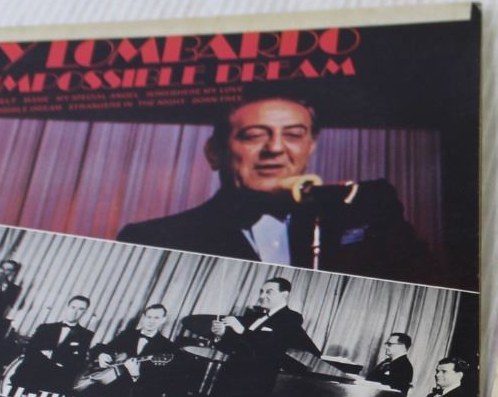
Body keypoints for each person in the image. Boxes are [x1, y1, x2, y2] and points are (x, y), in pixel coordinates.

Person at [115, 91, 435, 283]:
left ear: (310, 148)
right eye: (254, 135)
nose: (276, 149)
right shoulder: (151, 239)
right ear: (214, 152)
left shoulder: (367, 213)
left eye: (293, 135)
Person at [206, 278, 319, 397]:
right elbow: (237, 346)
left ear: (284, 295)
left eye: (269, 292)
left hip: (254, 383)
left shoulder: (291, 318)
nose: (262, 295)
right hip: (230, 376)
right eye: (261, 291)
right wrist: (220, 335)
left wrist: (241, 330)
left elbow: (270, 348)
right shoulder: (254, 316)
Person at [12, 295, 93, 396]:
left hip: (55, 383)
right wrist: (61, 359)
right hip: (28, 376)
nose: (75, 312)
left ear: (85, 312)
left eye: (80, 309)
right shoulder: (45, 328)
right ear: (67, 307)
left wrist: (51, 354)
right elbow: (30, 351)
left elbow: (76, 363)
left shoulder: (86, 335)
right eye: (73, 307)